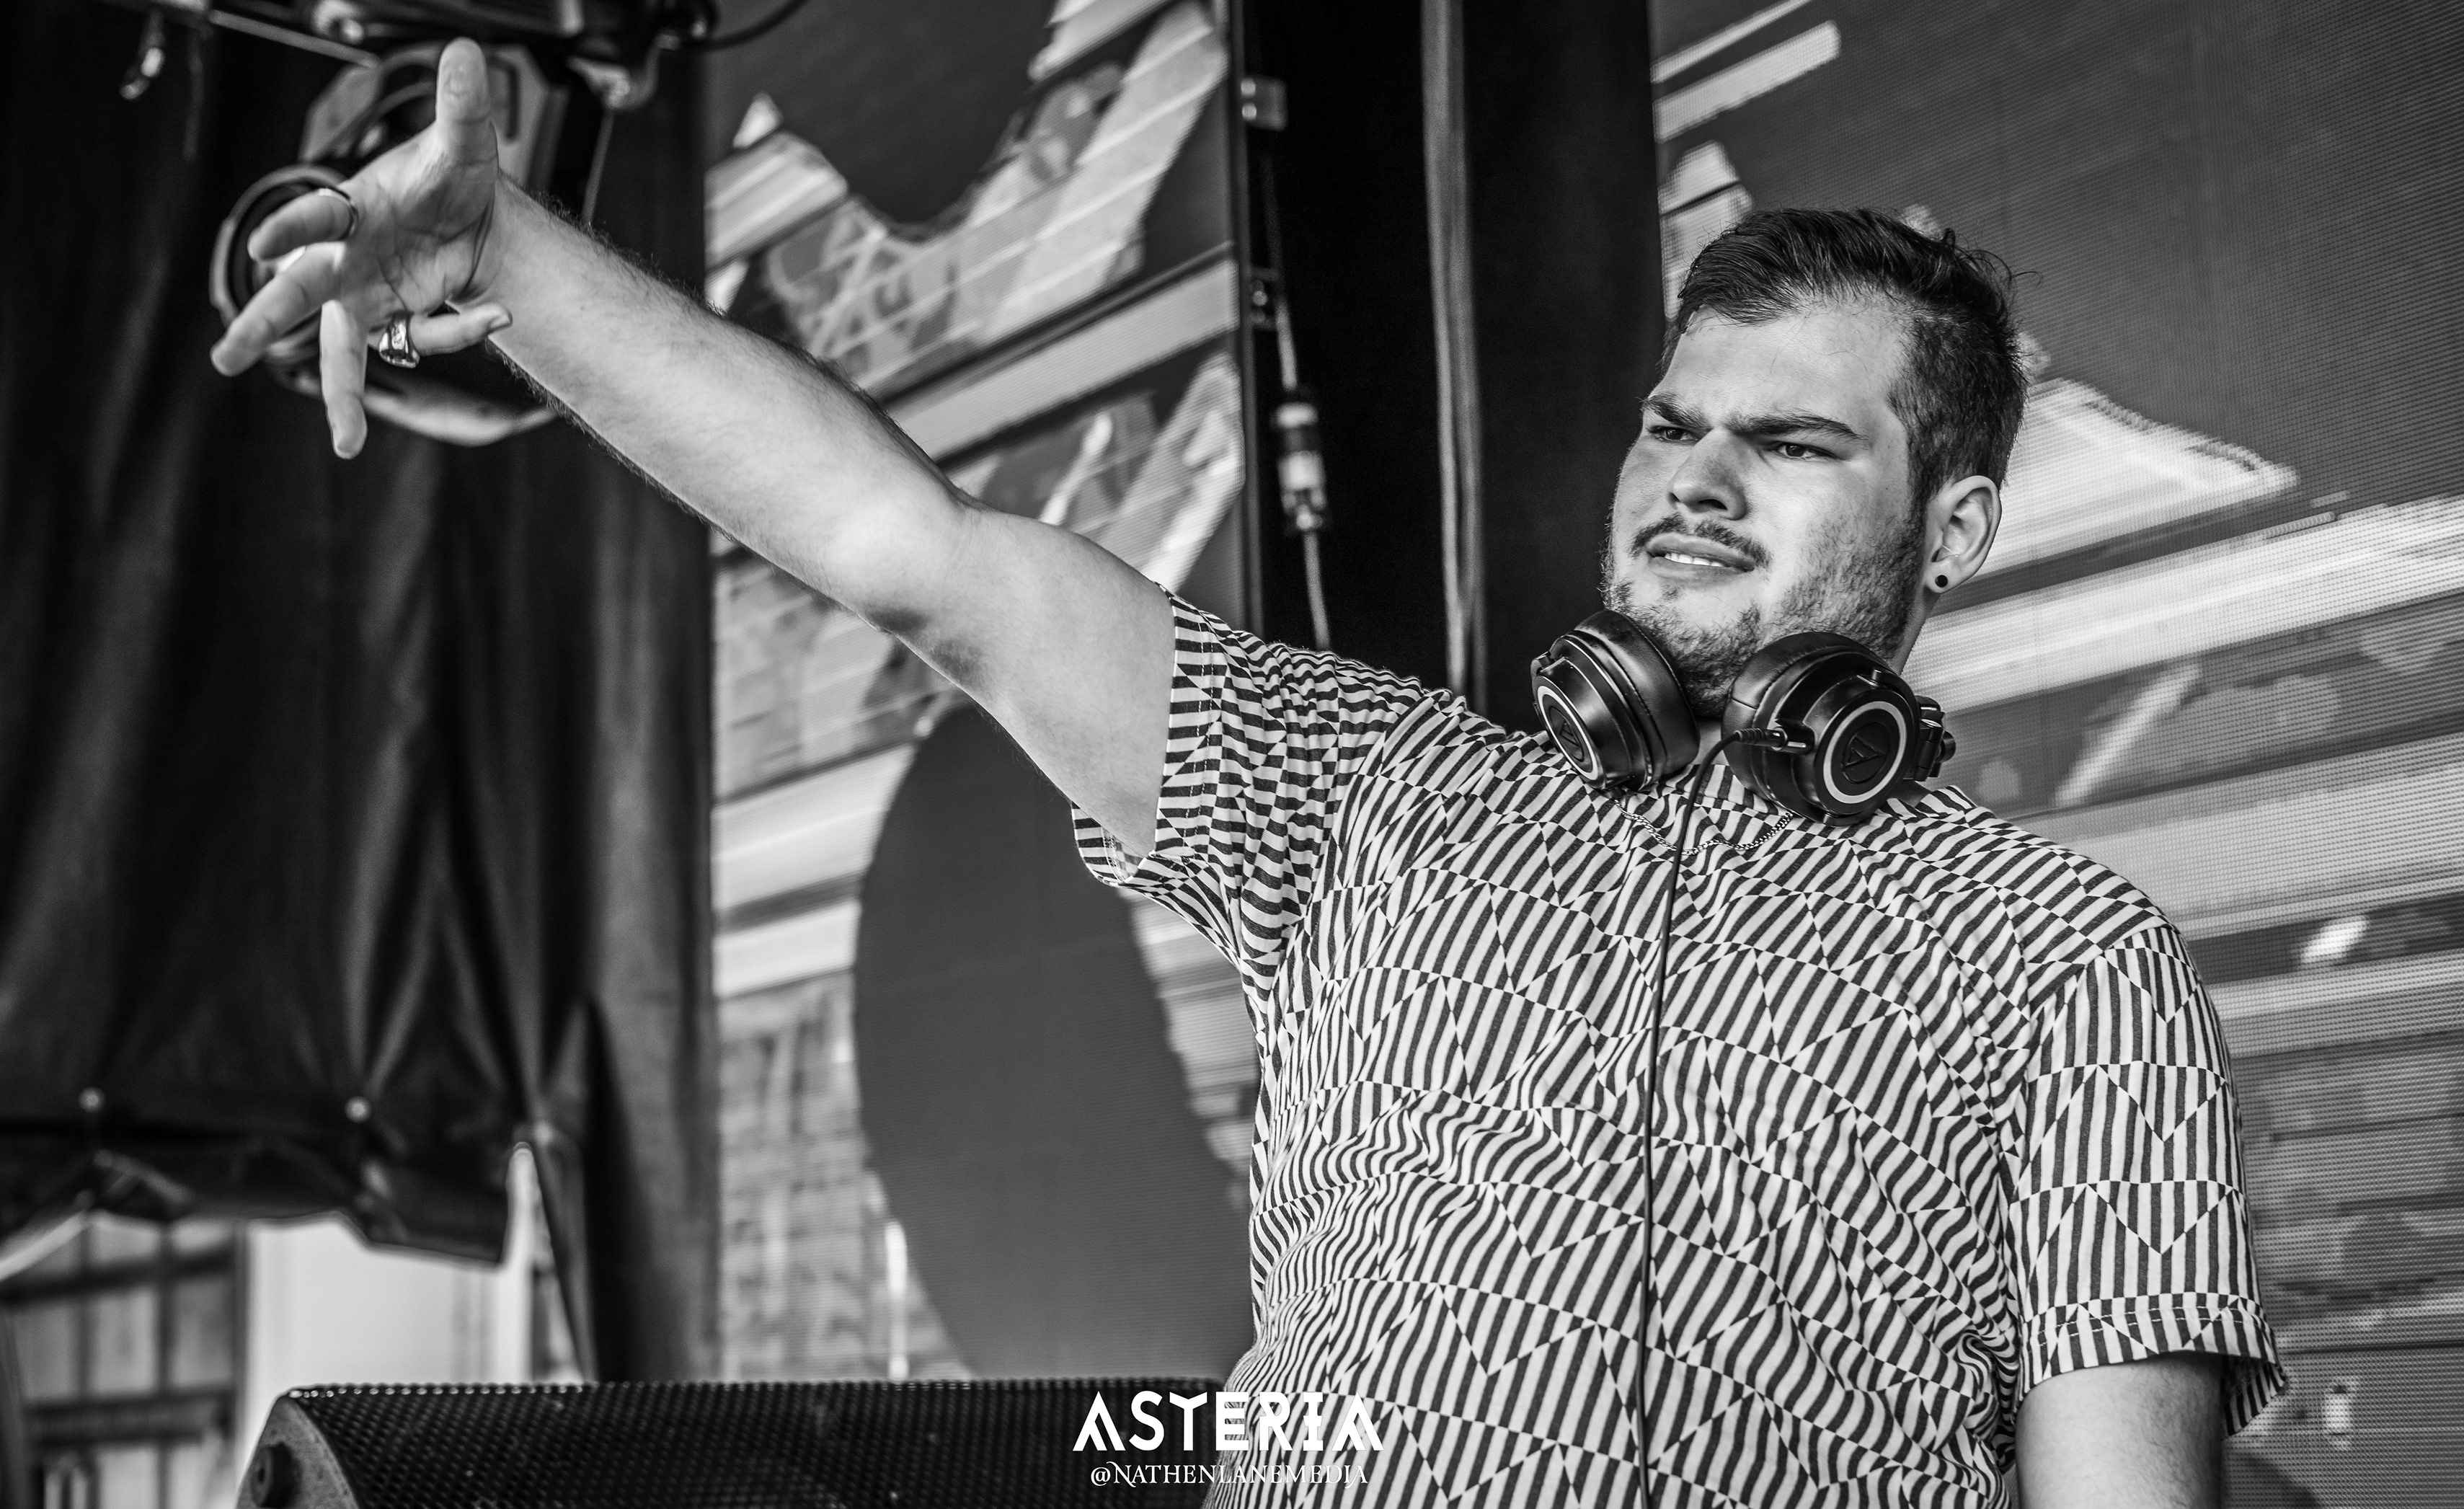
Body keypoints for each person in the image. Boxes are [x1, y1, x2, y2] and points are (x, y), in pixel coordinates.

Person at [213, 43, 2284, 1507]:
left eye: (1797, 443)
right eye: (1675, 425)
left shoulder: (2066, 956)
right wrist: (509, 265)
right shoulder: (1380, 794)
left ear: (1956, 529)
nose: (1697, 480)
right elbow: (921, 560)